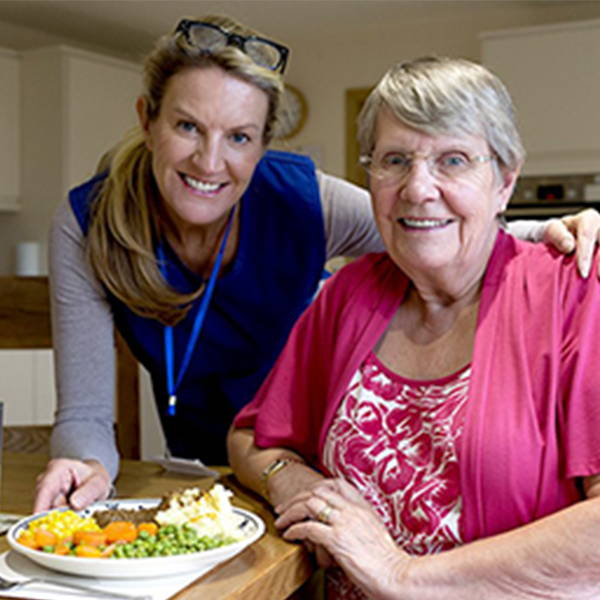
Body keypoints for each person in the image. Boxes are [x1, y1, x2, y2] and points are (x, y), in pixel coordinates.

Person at [34, 14, 599, 514]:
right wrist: (86, 466)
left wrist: (543, 232)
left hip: (307, 462)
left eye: (239, 136)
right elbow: (84, 409)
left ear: (263, 147)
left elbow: (422, 227)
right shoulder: (91, 221)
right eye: (187, 126)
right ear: (147, 120)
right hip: (218, 473)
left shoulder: (301, 200)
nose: (210, 160)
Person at [228, 56, 600, 599]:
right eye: (394, 160)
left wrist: (400, 576)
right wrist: (296, 482)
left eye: (453, 161)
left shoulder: (575, 291)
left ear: (505, 180)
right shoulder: (348, 295)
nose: (417, 188)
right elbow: (250, 437)